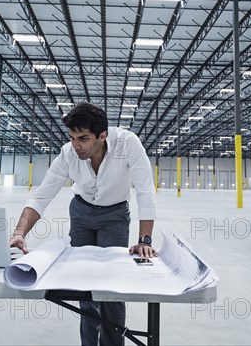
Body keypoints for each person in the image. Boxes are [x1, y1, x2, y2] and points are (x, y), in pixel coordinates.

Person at [9, 102, 157, 346]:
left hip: (115, 214)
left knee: (111, 288)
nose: (76, 144)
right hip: (81, 213)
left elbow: (145, 191)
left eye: (83, 138)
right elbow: (42, 195)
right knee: (82, 284)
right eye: (72, 137)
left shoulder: (128, 144)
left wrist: (145, 240)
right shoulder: (68, 153)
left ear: (102, 135)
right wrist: (19, 232)